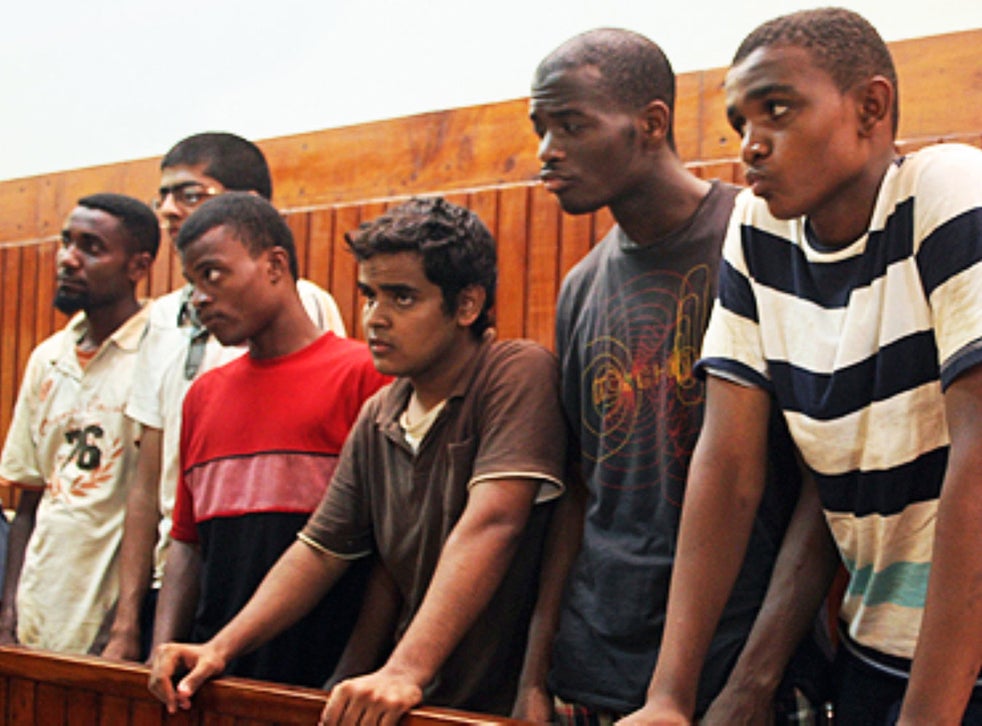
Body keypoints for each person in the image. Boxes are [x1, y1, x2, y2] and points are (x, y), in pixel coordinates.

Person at [642, 8, 982, 724]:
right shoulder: (758, 228)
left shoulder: (948, 188)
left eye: (777, 109)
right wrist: (669, 696)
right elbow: (727, 466)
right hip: (874, 650)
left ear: (871, 109)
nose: (751, 144)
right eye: (739, 123)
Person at [516, 28, 835, 724]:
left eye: (572, 124)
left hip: (736, 672)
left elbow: (824, 481)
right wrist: (536, 675)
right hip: (595, 669)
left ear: (652, 123)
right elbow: (579, 491)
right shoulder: (580, 287)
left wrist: (753, 682)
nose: (548, 150)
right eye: (541, 128)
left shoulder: (759, 238)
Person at [148, 196, 567, 722]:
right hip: (421, 701)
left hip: (505, 699)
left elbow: (494, 522)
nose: (376, 318)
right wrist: (220, 647)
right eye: (370, 295)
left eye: (402, 298)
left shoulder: (513, 372)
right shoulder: (380, 413)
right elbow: (319, 549)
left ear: (466, 305)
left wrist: (404, 669)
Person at [102, 132, 346, 662]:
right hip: (199, 600)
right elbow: (167, 508)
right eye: (193, 281)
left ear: (275, 266)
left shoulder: (340, 351)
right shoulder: (186, 360)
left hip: (316, 627)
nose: (169, 209)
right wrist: (142, 633)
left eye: (190, 193)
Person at [149, 192, 387, 687]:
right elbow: (187, 544)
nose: (199, 298)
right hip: (214, 678)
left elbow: (390, 552)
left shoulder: (366, 376)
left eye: (212, 274)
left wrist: (351, 672)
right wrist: (160, 653)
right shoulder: (203, 396)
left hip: (328, 680)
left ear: (275, 265)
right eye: (192, 282)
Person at [0, 193, 160, 653]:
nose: (68, 259)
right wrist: (9, 613)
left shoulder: (160, 350)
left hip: (114, 619)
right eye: (66, 242)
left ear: (138, 266)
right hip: (40, 606)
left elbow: (161, 507)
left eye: (91, 248)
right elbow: (29, 500)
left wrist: (125, 621)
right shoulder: (48, 357)